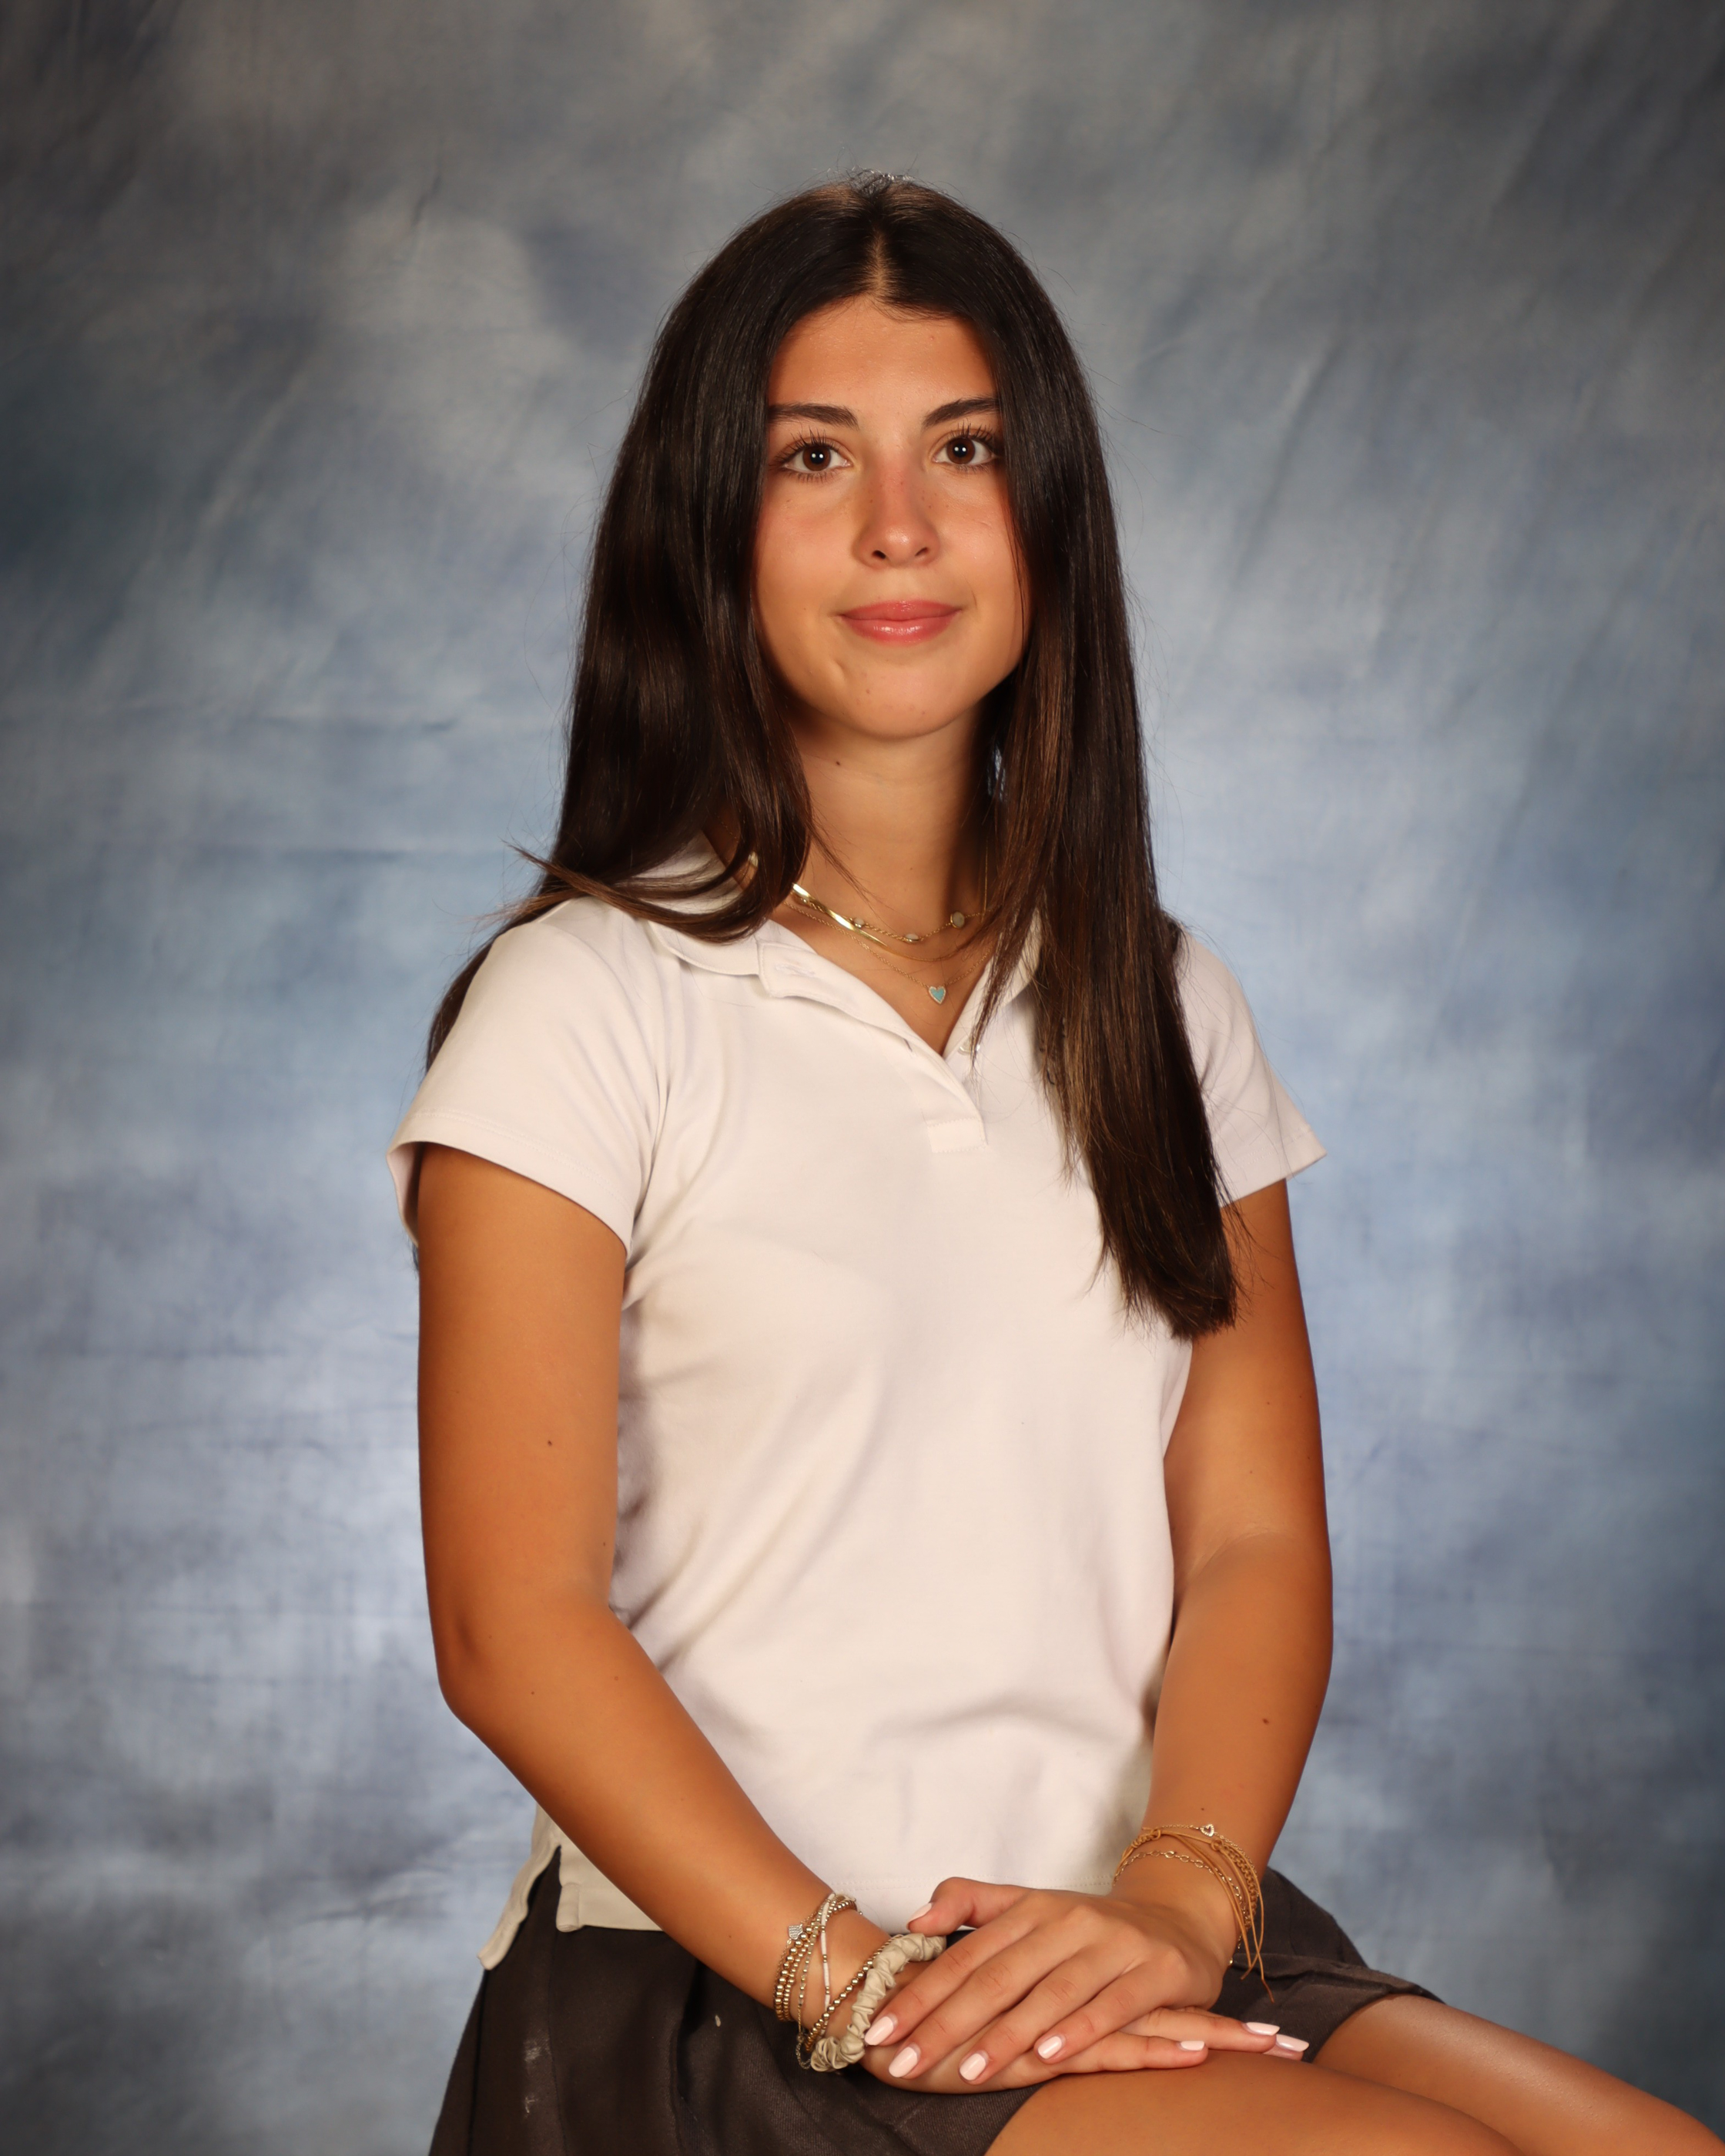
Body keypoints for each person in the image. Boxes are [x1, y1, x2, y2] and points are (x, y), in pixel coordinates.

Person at [389, 175, 1719, 2156]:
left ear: (1049, 518)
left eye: (967, 450)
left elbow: (1252, 1540)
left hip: (1124, 1934)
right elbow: (512, 1625)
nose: (900, 525)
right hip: (740, 1977)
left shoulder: (1158, 997)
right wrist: (863, 1984)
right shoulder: (584, 1000)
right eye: (813, 456)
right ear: (705, 523)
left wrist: (1172, 1906)